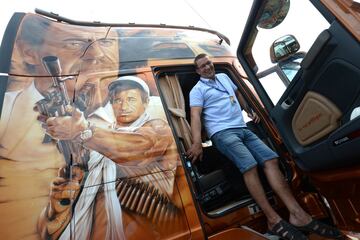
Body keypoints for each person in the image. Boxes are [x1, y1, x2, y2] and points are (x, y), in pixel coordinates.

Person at [186, 53, 344, 240]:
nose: (207, 67)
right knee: (249, 165)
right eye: (202, 66)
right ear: (198, 71)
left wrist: (248, 110)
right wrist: (197, 142)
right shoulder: (197, 90)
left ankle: (297, 214)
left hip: (242, 128)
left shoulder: (223, 77)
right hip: (222, 133)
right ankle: (273, 219)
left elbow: (236, 93)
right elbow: (195, 116)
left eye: (209, 63)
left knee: (271, 159)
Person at [0, 14, 120, 239]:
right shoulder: (6, 110)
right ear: (29, 52)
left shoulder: (139, 111)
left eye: (105, 42)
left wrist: (83, 132)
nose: (96, 55)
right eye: (74, 43)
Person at [38, 76, 179, 239]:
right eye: (117, 100)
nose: (124, 106)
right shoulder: (102, 138)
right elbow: (48, 228)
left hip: (148, 229)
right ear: (111, 104)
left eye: (131, 99)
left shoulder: (158, 128)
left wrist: (82, 131)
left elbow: (138, 150)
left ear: (146, 103)